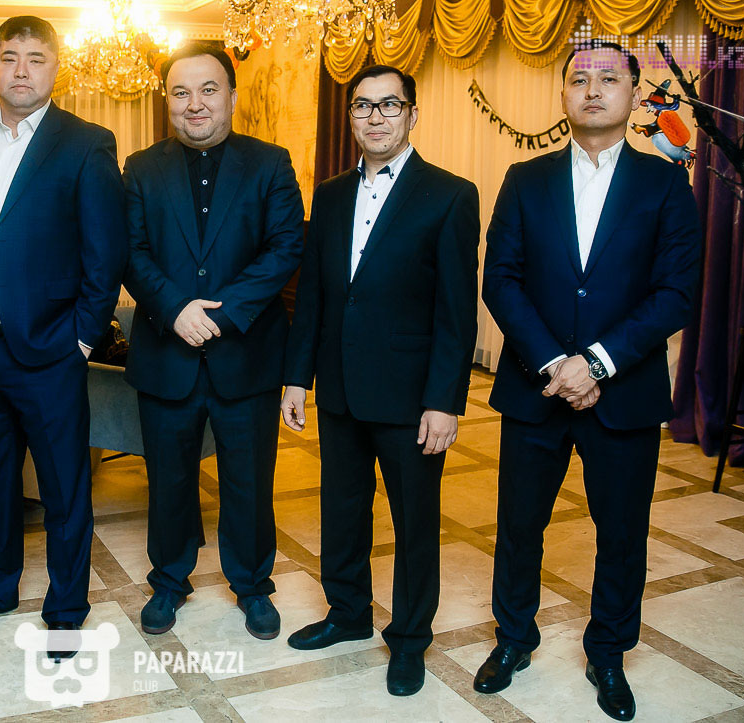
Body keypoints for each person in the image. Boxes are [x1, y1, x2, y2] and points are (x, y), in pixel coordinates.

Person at [474, 41, 701, 721]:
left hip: (623, 393)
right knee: (519, 525)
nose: (593, 89)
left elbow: (675, 292)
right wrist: (554, 363)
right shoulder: (525, 178)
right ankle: (514, 638)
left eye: (608, 79)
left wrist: (597, 362)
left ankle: (608, 652)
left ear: (633, 95)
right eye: (579, 78)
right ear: (563, 95)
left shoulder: (666, 184)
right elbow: (500, 280)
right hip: (535, 388)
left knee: (621, 533)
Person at [0, 16, 127, 660]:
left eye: (35, 58)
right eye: (9, 56)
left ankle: (65, 611)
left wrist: (82, 341)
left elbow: (105, 254)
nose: (21, 70)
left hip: (50, 352)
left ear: (55, 67)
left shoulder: (86, 143)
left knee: (64, 488)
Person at [281, 64, 480, 695]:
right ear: (351, 118)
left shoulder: (451, 195)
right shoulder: (331, 193)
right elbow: (314, 294)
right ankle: (347, 614)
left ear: (412, 114)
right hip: (340, 386)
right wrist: (297, 377)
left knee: (414, 522)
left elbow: (456, 312)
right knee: (341, 510)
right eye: (363, 106)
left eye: (389, 105)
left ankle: (410, 639)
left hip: (411, 397)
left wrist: (444, 401)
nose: (375, 116)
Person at [122, 42, 304, 641]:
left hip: (246, 356)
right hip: (166, 352)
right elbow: (131, 251)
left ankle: (252, 585)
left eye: (207, 90)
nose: (194, 103)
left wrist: (220, 316)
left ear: (231, 95)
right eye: (181, 92)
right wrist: (175, 308)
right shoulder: (140, 168)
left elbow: (285, 248)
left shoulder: (271, 163)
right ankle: (169, 581)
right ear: (167, 101)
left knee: (249, 483)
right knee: (168, 481)